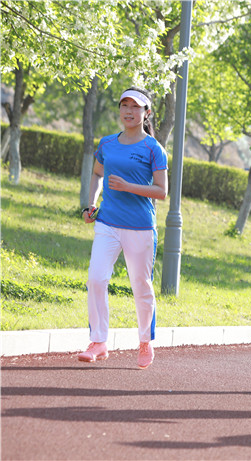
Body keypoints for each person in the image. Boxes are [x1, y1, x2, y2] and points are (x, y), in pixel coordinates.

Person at [78, 87, 168, 370]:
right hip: (107, 223)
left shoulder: (153, 148)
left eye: (135, 106)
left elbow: (162, 191)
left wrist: (129, 186)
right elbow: (97, 173)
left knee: (141, 286)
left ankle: (145, 342)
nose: (128, 111)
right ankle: (98, 341)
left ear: (146, 113)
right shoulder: (107, 143)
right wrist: (91, 204)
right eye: (124, 105)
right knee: (96, 278)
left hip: (140, 227)